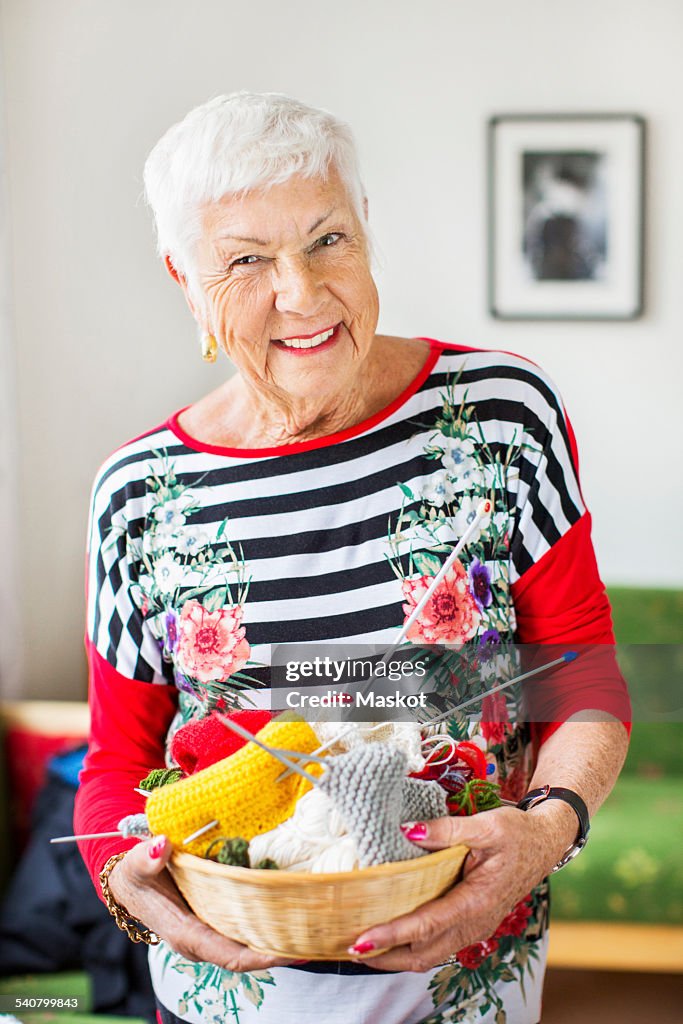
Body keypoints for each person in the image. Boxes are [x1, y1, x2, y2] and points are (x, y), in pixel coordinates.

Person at [74, 92, 630, 1024]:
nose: (300, 293)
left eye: (325, 238)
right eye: (245, 260)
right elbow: (117, 756)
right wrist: (118, 878)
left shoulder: (500, 413)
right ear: (183, 278)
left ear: (366, 226)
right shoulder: (136, 492)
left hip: (469, 978)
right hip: (230, 993)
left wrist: (547, 831)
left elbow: (582, 676)